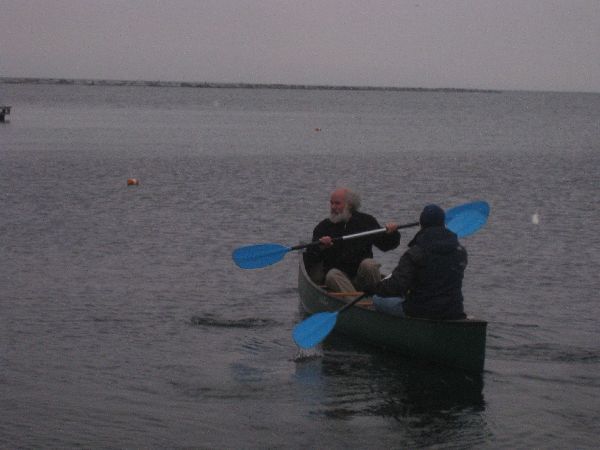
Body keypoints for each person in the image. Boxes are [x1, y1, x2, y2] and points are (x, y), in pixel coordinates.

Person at [366, 204, 467, 320]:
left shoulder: (415, 252)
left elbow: (397, 285)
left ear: (421, 225)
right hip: (454, 310)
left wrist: (374, 289)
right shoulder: (461, 252)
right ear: (443, 224)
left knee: (377, 299)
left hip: (420, 311)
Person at [305, 187, 400, 292]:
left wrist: (392, 233)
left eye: (337, 203)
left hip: (361, 277)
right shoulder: (323, 227)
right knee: (332, 274)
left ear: (349, 205)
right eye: (331, 203)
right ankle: (356, 301)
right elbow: (310, 257)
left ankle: (377, 296)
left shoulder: (366, 221)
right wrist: (320, 246)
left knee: (369, 264)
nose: (333, 207)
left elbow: (385, 245)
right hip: (337, 279)